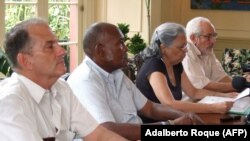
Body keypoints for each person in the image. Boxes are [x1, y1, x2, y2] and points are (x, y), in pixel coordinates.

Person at [67, 22, 204, 141]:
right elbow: (107, 130)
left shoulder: (116, 73)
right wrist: (168, 126)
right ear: (100, 51)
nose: (126, 48)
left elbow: (150, 108)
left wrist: (184, 115)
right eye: (120, 44)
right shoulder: (86, 80)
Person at [0, 18, 129, 141]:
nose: (62, 51)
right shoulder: (9, 102)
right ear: (25, 61)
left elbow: (99, 136)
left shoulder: (61, 88)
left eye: (58, 44)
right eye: (50, 47)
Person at [135, 22, 236, 122]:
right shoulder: (154, 65)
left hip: (174, 121)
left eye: (186, 46)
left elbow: (194, 92)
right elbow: (169, 104)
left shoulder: (176, 63)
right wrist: (213, 108)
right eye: (181, 47)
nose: (186, 51)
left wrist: (226, 96)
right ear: (163, 47)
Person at [182, 17, 236, 93]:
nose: (213, 41)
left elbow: (221, 77)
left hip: (206, 98)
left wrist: (243, 87)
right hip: (189, 102)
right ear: (193, 38)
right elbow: (202, 86)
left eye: (214, 36)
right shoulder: (186, 53)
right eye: (208, 36)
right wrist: (237, 86)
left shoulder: (206, 49)